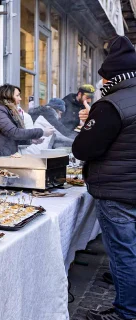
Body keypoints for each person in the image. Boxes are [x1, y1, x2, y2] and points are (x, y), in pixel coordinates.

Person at [72, 36, 136, 320]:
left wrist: (87, 126)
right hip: (130, 186)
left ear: (111, 76)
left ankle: (127, 312)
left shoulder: (111, 103)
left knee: (124, 255)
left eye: (102, 77)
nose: (99, 82)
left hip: (117, 191)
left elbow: (85, 148)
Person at [0, 84, 54, 157]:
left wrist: (31, 141)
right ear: (8, 96)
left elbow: (9, 138)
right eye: (17, 95)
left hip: (0, 153)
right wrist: (42, 132)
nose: (20, 99)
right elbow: (14, 133)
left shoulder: (6, 110)